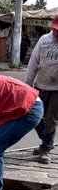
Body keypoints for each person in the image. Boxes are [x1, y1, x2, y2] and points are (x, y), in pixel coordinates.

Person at [26, 16, 58, 164]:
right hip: (40, 86)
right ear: (53, 28)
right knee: (35, 117)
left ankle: (45, 149)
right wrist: (28, 84)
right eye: (56, 30)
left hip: (56, 90)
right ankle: (45, 142)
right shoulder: (44, 40)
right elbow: (33, 62)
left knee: (51, 120)